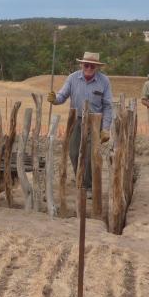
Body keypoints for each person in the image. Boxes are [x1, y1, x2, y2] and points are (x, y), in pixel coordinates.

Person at [47, 52, 112, 198]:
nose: (89, 68)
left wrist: (106, 129)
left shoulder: (104, 81)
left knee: (90, 154)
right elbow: (62, 95)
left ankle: (88, 186)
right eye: (86, 65)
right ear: (81, 65)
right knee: (74, 152)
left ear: (97, 67)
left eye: (92, 66)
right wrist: (54, 99)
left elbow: (108, 106)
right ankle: (80, 179)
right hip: (77, 120)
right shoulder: (72, 78)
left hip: (95, 121)